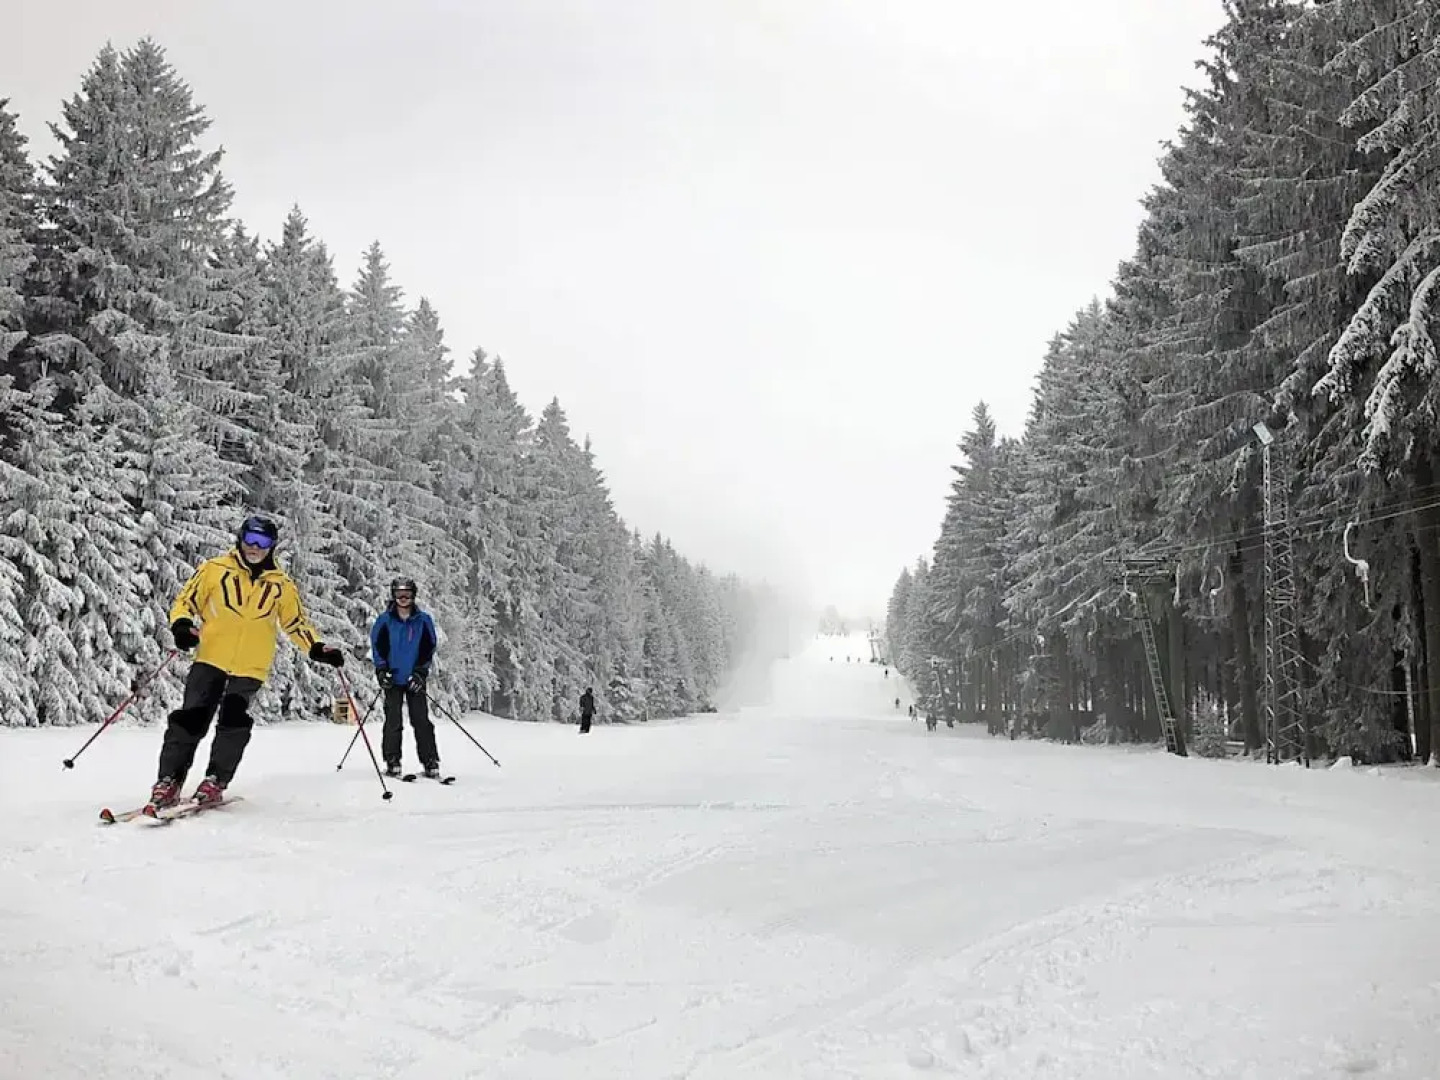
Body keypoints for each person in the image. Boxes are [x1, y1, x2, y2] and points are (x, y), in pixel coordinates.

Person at [151, 514, 345, 809]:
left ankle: (216, 780)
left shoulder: (281, 585)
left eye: (263, 542)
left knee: (233, 724)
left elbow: (296, 623)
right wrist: (181, 626)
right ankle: (169, 781)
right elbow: (185, 602)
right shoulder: (214, 570)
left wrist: (316, 648)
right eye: (249, 539)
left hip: (250, 666)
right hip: (210, 659)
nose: (255, 547)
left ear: (272, 546)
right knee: (190, 719)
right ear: (240, 540)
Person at [370, 577, 440, 778]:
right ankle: (392, 760)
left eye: (407, 595)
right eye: (399, 595)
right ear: (393, 596)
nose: (403, 599)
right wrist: (382, 671)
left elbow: (428, 647)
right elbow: (378, 646)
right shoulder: (385, 620)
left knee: (421, 720)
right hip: (392, 679)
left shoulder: (423, 620)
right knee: (393, 721)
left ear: (413, 596)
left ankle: (430, 761)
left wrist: (420, 672)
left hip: (414, 678)